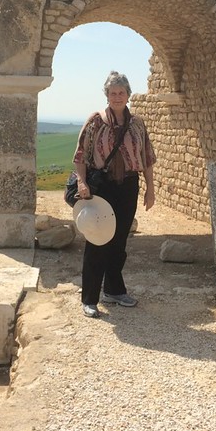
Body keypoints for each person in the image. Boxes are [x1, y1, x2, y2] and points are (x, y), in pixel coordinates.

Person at [72, 70, 156, 319]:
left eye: (121, 92)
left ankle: (114, 290)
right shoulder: (96, 121)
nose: (117, 96)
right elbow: (80, 155)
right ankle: (89, 298)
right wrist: (81, 182)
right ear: (106, 95)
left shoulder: (137, 123)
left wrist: (150, 189)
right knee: (98, 240)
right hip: (103, 186)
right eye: (112, 93)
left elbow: (147, 158)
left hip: (129, 186)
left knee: (119, 242)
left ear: (128, 95)